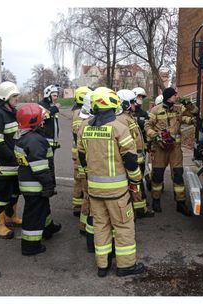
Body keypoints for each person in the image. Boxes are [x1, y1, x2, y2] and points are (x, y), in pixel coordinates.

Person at [77, 87, 145, 278]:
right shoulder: (119, 128)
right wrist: (136, 180)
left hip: (94, 190)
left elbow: (82, 157)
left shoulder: (84, 127)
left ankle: (102, 265)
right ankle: (125, 266)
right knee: (123, 226)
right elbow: (131, 160)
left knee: (101, 226)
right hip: (117, 192)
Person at [144, 87, 198, 215]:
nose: (176, 97)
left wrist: (189, 105)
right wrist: (155, 135)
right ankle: (156, 200)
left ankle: (181, 203)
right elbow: (147, 125)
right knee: (157, 175)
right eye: (174, 95)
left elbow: (194, 113)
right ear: (168, 96)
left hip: (175, 149)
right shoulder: (155, 110)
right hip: (160, 148)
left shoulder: (179, 109)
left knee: (178, 175)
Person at [15, 103, 56, 255]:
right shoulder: (35, 140)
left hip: (28, 183)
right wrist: (48, 185)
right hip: (35, 185)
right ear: (33, 120)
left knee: (42, 209)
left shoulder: (24, 137)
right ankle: (30, 246)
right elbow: (40, 167)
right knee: (34, 215)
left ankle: (48, 228)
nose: (43, 121)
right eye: (41, 118)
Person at [0, 81, 22, 239]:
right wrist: (13, 156)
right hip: (4, 165)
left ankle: (10, 216)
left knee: (15, 192)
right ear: (5, 97)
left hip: (16, 164)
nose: (17, 99)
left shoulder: (13, 112)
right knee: (2, 195)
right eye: (14, 96)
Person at [116, 90, 155, 219]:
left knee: (136, 185)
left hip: (137, 158)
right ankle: (137, 209)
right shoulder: (122, 119)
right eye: (132, 101)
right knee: (134, 185)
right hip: (132, 160)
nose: (135, 104)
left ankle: (139, 208)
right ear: (125, 104)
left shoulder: (128, 116)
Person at [37, 85, 62, 239]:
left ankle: (50, 186)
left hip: (51, 143)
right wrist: (54, 110)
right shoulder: (42, 106)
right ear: (47, 95)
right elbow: (43, 118)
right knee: (46, 168)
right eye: (54, 95)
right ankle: (48, 187)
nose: (56, 97)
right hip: (44, 143)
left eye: (57, 95)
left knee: (51, 168)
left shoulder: (51, 106)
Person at [71, 86, 92, 220]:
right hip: (80, 154)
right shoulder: (80, 113)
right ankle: (79, 208)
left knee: (80, 181)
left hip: (78, 152)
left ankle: (78, 207)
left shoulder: (78, 111)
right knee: (81, 181)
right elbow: (78, 134)